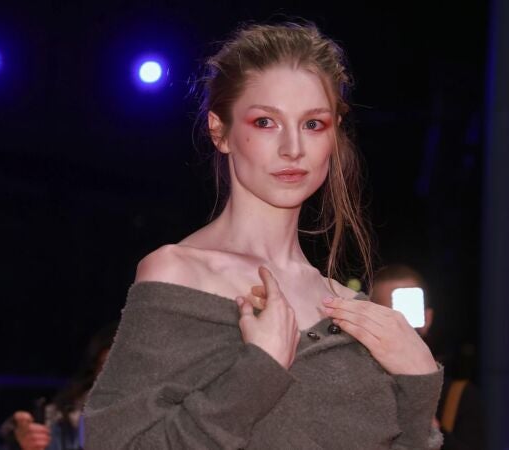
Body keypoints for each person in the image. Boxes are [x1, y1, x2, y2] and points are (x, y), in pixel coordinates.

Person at [83, 22, 444, 449]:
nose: (293, 147)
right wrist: (258, 368)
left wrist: (419, 379)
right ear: (220, 131)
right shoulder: (179, 273)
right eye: (266, 122)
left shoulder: (352, 309)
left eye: (313, 124)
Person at [371, 264, 484, 450]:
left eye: (408, 313)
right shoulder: (353, 390)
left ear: (427, 318)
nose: (400, 327)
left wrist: (427, 425)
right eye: (388, 317)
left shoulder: (459, 398)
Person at [2, 321, 117, 450]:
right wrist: (20, 443)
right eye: (108, 367)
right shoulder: (62, 419)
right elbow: (21, 433)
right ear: (95, 369)